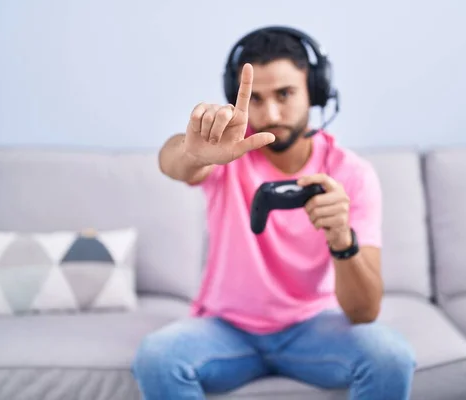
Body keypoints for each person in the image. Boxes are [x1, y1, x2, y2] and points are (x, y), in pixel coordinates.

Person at [131, 26, 416, 399]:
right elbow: (173, 163)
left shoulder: (353, 173)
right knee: (156, 357)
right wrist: (193, 152)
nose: (271, 113)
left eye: (285, 94)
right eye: (258, 100)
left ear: (314, 90)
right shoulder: (229, 151)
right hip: (226, 328)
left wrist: (342, 238)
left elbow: (363, 312)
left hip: (313, 326)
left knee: (390, 357)